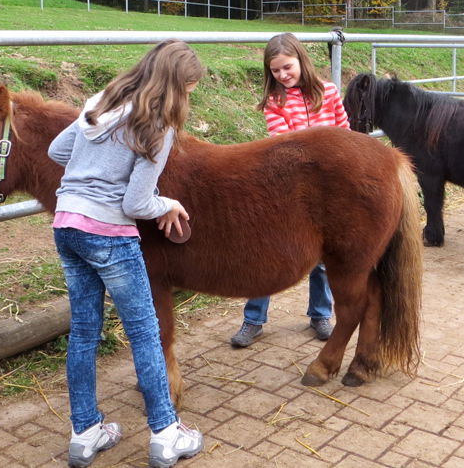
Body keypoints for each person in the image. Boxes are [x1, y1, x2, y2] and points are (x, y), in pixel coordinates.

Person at [47, 40, 205, 468]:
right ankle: (166, 434)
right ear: (175, 86)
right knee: (145, 332)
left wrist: (93, 167)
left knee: (84, 332)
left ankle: (85, 432)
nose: (187, 99)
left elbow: (57, 151)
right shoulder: (157, 124)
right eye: (188, 90)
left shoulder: (100, 102)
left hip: (67, 224)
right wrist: (168, 204)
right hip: (108, 233)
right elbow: (136, 203)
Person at [229, 32, 346, 349]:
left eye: (287, 67)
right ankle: (254, 319)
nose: (282, 75)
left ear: (301, 60)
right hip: (288, 189)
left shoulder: (329, 92)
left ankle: (320, 314)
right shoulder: (275, 101)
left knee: (323, 258)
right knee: (267, 252)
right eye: (275, 71)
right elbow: (285, 146)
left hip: (325, 189)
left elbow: (344, 134)